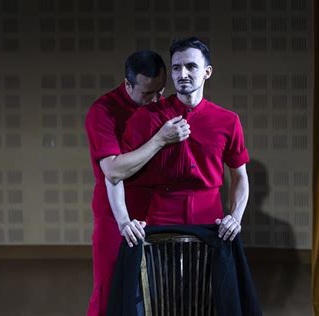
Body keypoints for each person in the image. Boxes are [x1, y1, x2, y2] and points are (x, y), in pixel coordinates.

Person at [107, 37, 250, 247]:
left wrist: (235, 217)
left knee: (211, 280)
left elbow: (240, 176)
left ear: (207, 72)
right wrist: (124, 222)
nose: (182, 74)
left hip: (211, 221)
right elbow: (114, 174)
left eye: (191, 66)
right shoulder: (146, 117)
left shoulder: (228, 120)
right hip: (160, 220)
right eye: (176, 68)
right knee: (159, 280)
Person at [84, 50, 189, 316]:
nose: (155, 100)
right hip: (115, 215)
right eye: (146, 93)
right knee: (111, 294)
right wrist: (160, 140)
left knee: (158, 295)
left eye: (160, 91)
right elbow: (114, 170)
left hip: (158, 212)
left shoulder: (165, 107)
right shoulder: (103, 110)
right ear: (128, 84)